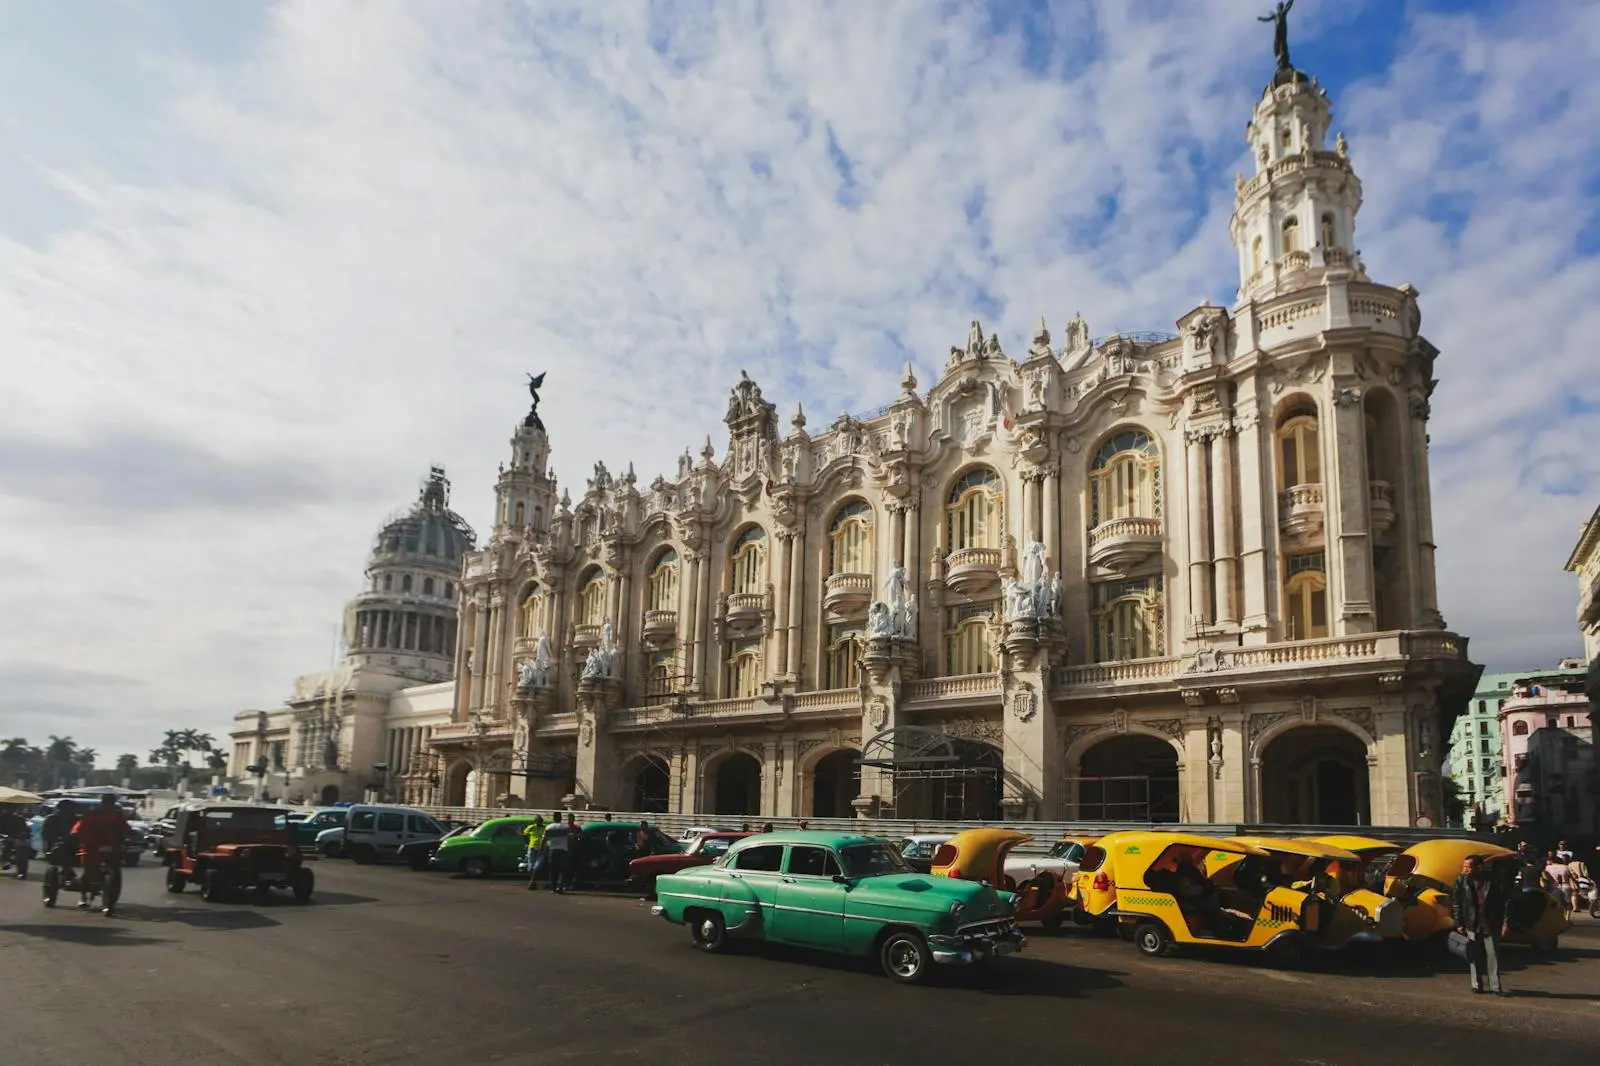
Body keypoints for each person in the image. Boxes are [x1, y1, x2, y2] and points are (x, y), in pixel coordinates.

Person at [1452, 855, 1507, 996]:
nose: (1465, 869)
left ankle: (1495, 987)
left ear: (1478, 867)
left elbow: (1505, 902)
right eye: (1464, 866)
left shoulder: (1493, 880)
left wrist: (1506, 922)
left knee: (1493, 955)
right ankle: (1476, 984)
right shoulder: (1461, 881)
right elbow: (1457, 902)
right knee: (1473, 954)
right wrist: (1459, 923)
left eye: (1468, 867)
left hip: (1490, 922)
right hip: (1471, 922)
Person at [74, 796, 129, 912]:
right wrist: (79, 834)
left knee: (115, 866)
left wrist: (129, 834)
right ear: (103, 803)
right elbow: (79, 827)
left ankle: (110, 895)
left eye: (111, 803)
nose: (109, 806)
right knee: (88, 870)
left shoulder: (117, 816)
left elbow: (126, 828)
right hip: (92, 846)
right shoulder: (92, 814)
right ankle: (83, 896)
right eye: (107, 803)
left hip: (111, 846)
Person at [40, 800, 79, 890]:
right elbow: (46, 834)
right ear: (59, 809)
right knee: (61, 848)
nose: (68, 811)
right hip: (55, 845)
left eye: (70, 808)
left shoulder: (76, 820)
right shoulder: (51, 819)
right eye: (66, 808)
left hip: (73, 845)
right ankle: (67, 872)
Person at [541, 813, 570, 893]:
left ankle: (553, 888)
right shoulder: (565, 827)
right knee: (562, 870)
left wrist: (541, 849)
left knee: (552, 870)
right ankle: (560, 887)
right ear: (560, 818)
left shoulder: (549, 827)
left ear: (553, 818)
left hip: (552, 850)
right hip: (563, 850)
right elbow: (570, 838)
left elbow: (543, 839)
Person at [0, 805, 30, 878]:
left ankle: (20, 868)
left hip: (15, 839)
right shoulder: (2, 818)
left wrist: (22, 834)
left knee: (22, 846)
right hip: (3, 838)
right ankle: (5, 861)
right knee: (4, 846)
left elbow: (25, 830)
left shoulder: (20, 819)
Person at [1543, 851, 1574, 917]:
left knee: (1556, 903)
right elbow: (1572, 876)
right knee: (1568, 903)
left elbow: (1546, 878)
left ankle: (1558, 917)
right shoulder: (1566, 867)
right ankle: (1567, 918)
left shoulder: (1548, 867)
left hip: (1554, 887)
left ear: (1552, 861)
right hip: (1566, 886)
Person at [523, 815, 546, 891]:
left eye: (540, 821)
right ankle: (532, 881)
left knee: (538, 865)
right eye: (537, 821)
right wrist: (527, 843)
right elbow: (524, 835)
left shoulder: (545, 827)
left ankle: (533, 881)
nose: (538, 822)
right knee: (531, 865)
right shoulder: (531, 827)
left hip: (541, 848)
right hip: (532, 847)